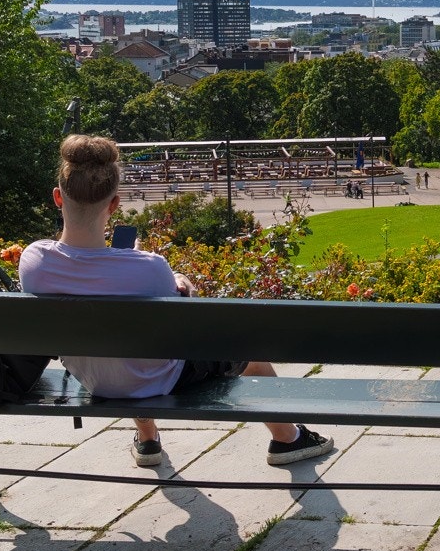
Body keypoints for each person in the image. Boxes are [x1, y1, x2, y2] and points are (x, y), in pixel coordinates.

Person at [18, 135, 335, 468]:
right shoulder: (150, 269)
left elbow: (76, 263)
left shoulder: (33, 260)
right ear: (114, 205)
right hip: (156, 378)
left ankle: (148, 439)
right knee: (248, 352)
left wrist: (122, 258)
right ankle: (288, 438)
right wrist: (179, 282)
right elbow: (181, 323)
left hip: (94, 378)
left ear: (58, 197)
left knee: (124, 349)